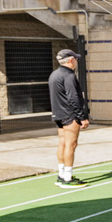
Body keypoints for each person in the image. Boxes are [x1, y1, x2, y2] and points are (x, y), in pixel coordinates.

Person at [48, 48, 90, 188]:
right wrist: (82, 117)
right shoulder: (69, 76)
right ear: (71, 60)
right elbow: (73, 98)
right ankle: (67, 178)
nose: (77, 61)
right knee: (71, 145)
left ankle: (61, 174)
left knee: (63, 143)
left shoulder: (54, 74)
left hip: (58, 114)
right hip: (69, 115)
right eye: (75, 59)